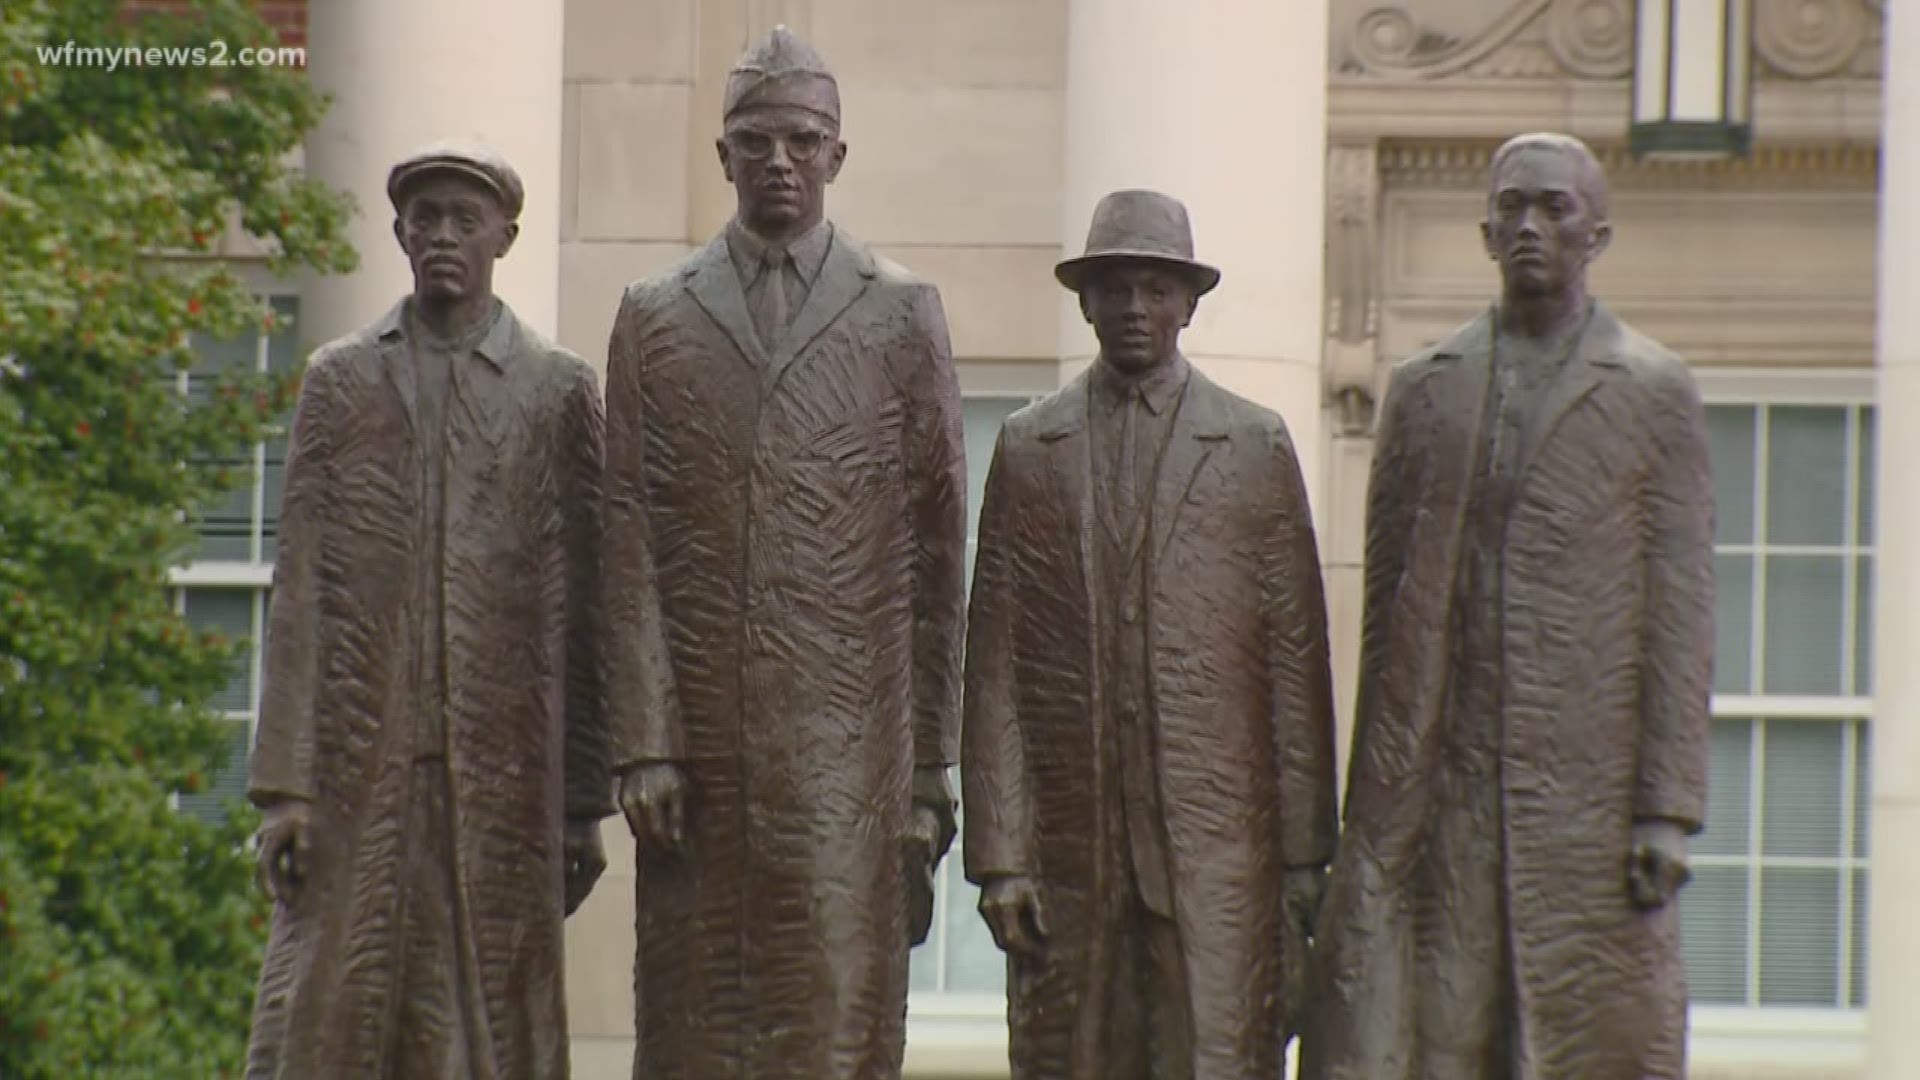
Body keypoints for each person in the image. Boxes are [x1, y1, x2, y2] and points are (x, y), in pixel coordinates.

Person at [1301, 132, 1714, 1080]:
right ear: (1485, 231)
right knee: (1435, 1030)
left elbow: (1681, 611)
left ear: (1596, 232)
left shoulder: (1653, 392)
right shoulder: (1424, 389)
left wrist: (1668, 808)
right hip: (1443, 782)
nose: (1531, 226)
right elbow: (1386, 609)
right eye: (1513, 208)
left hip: (1588, 791)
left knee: (1575, 1036)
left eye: (1555, 208)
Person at [601, 25, 967, 1079]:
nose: (779, 162)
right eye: (755, 142)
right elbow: (629, 540)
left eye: (803, 141)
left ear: (837, 156)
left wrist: (929, 772)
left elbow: (940, 562)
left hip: (849, 763)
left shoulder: (902, 316)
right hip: (698, 764)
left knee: (835, 1027)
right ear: (721, 157)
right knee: (692, 1027)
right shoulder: (654, 317)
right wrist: (645, 742)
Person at [243, 141, 611, 1079]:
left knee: (485, 1019)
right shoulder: (340, 379)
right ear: (401, 233)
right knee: (332, 1010)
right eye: (426, 218)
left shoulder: (558, 390)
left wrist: (581, 802)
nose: (443, 235)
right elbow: (300, 592)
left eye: (465, 218)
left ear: (505, 236)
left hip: (504, 769)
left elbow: (586, 608)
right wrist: (285, 785)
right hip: (361, 761)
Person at [962, 188, 1338, 1079]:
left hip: (1217, 860)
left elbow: (1295, 662)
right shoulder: (1029, 446)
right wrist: (1000, 857)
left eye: (1156, 289)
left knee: (1215, 1057)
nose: (1136, 309)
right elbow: (996, 669)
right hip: (1069, 853)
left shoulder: (1252, 445)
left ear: (1190, 302)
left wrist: (1304, 859)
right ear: (1085, 301)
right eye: (1117, 288)